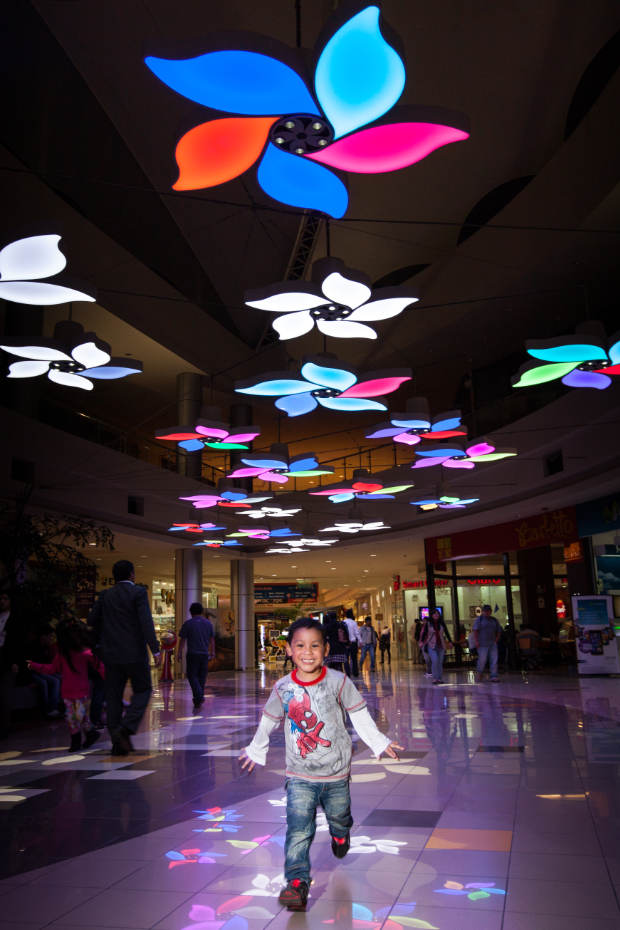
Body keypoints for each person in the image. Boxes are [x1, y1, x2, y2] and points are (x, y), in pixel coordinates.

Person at [239, 617, 403, 912]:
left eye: (315, 645)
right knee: (298, 829)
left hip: (336, 772)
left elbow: (359, 715)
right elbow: (269, 720)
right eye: (300, 645)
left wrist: (379, 742)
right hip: (299, 774)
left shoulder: (338, 682)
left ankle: (341, 832)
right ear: (289, 649)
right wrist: (256, 748)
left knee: (339, 815)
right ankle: (297, 883)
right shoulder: (283, 688)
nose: (308, 652)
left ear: (326, 649)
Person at [88, 559, 161, 755]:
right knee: (143, 689)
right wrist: (155, 649)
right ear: (132, 574)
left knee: (113, 696)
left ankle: (116, 741)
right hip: (135, 653)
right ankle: (126, 727)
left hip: (110, 654)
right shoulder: (138, 593)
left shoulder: (105, 595)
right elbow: (146, 622)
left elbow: (92, 620)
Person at [27, 618, 103, 751]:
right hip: (74, 692)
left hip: (74, 692)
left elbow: (51, 669)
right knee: (76, 716)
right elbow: (100, 667)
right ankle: (85, 736)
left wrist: (34, 666)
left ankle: (80, 739)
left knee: (76, 717)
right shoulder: (79, 654)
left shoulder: (74, 654)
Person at [178, 603, 216, 708]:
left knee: (192, 675)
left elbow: (182, 640)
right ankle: (197, 698)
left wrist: (179, 652)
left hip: (192, 654)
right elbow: (212, 640)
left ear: (191, 612)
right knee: (202, 676)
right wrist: (213, 652)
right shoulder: (208, 624)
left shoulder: (188, 624)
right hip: (204, 654)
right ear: (202, 611)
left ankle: (199, 695)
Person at [0, 591, 23, 738]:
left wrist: (15, 661)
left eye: (4, 598)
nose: (1, 601)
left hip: (7, 660)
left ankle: (4, 727)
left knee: (5, 695)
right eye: (0, 599)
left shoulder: (15, 619)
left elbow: (17, 642)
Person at [419, 609, 453, 684]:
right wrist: (421, 641)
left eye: (437, 613)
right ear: (432, 615)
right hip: (431, 645)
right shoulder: (428, 623)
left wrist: (450, 641)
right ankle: (435, 678)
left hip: (441, 645)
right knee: (435, 661)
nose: (436, 615)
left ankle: (439, 678)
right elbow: (424, 633)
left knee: (440, 662)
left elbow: (446, 632)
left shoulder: (441, 623)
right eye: (434, 613)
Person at [473, 604, 502, 682]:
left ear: (491, 612)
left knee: (494, 659)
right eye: (485, 611)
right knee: (482, 659)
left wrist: (496, 640)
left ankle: (494, 675)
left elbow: (499, 630)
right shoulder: (479, 620)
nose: (487, 613)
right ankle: (479, 673)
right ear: (483, 612)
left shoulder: (494, 620)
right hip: (482, 644)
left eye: (488, 611)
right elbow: (475, 631)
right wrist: (476, 641)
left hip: (492, 643)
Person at [343, 608, 360, 676]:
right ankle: (355, 672)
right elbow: (357, 633)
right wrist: (360, 641)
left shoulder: (343, 622)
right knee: (354, 658)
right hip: (353, 643)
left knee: (346, 659)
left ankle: (348, 673)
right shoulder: (354, 622)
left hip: (345, 643)